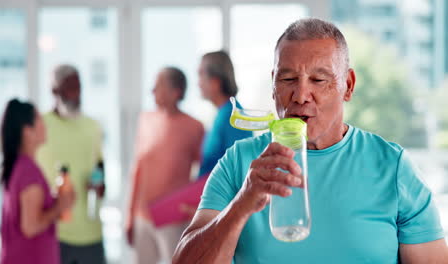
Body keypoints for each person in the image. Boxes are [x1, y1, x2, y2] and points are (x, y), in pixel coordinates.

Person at [173, 18, 448, 263]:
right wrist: (242, 204)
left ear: (348, 86)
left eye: (319, 79)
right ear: (273, 86)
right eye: (288, 78)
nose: (301, 95)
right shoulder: (238, 163)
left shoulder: (393, 168)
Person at [125, 67, 204, 264]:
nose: (152, 91)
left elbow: (205, 175)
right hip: (142, 218)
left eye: (158, 86)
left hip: (174, 219)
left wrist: (195, 210)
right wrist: (129, 215)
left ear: (175, 92)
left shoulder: (194, 127)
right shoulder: (145, 120)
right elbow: (137, 169)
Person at [37, 64, 106, 264]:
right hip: (54, 231)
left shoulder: (92, 126)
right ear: (54, 90)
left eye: (79, 87)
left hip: (91, 232)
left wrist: (101, 187)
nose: (76, 93)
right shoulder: (40, 124)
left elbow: (100, 167)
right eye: (69, 87)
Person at [0, 99, 75, 264]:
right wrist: (59, 207)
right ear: (28, 131)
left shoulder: (20, 166)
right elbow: (30, 226)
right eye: (40, 119)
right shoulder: (28, 171)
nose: (45, 125)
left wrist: (55, 201)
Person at [197, 51, 252, 178]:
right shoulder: (222, 114)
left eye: (201, 75)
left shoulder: (233, 116)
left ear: (215, 81)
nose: (198, 83)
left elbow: (238, 172)